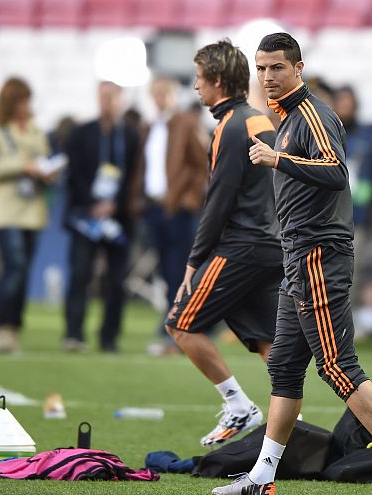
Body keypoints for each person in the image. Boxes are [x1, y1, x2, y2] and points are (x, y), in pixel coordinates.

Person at [212, 32, 372, 495]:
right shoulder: (287, 117)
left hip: (318, 255)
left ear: (299, 68)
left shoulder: (312, 115)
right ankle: (262, 475)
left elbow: (335, 171)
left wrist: (276, 158)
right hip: (297, 258)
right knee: (285, 369)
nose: (268, 77)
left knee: (335, 364)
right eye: (262, 68)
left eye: (277, 68)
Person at [163, 40, 283, 447]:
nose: (195, 87)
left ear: (216, 80)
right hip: (271, 247)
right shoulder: (259, 120)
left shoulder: (228, 127)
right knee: (272, 350)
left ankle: (238, 406)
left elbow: (218, 202)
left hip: (241, 247)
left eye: (199, 78)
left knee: (179, 324)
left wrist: (193, 264)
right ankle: (285, 440)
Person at [0, 77, 56, 353]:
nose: (26, 106)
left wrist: (47, 172)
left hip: (32, 212)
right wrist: (22, 166)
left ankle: (11, 330)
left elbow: (43, 159)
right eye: (22, 100)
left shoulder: (34, 130)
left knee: (22, 272)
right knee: (15, 267)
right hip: (5, 212)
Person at [131, 76, 207, 355]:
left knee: (179, 269)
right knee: (165, 269)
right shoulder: (151, 127)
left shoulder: (186, 123)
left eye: (164, 93)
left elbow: (203, 164)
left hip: (177, 208)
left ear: (173, 95)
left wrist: (189, 200)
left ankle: (180, 327)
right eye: (155, 93)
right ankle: (173, 324)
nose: (159, 98)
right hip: (154, 208)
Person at [63, 81, 140, 353]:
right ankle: (73, 333)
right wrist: (93, 204)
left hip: (118, 219)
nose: (107, 102)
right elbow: (73, 174)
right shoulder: (81, 133)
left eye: (112, 97)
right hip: (85, 217)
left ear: (120, 99)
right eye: (103, 97)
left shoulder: (131, 135)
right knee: (80, 275)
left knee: (116, 280)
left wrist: (115, 205)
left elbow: (134, 177)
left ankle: (109, 337)